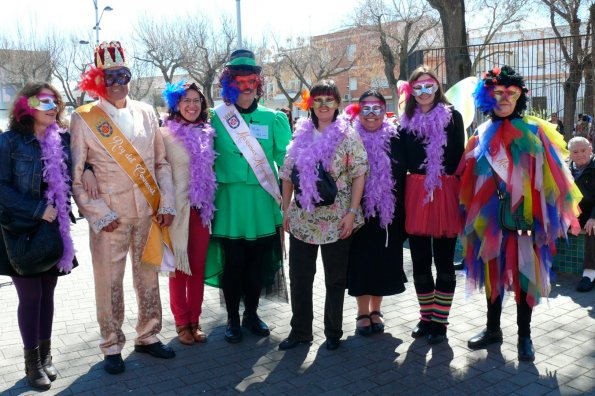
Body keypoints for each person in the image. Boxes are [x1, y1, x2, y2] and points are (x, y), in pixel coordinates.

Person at [460, 66, 581, 361]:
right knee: (493, 273)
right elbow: (469, 178)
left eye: (510, 93)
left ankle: (524, 335)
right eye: (497, 93)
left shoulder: (534, 130)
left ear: (520, 96)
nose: (503, 98)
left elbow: (555, 178)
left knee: (525, 274)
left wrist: (549, 217)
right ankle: (492, 330)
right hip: (489, 219)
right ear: (488, 97)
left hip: (525, 216)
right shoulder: (479, 133)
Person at [70, 41, 176, 374]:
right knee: (109, 282)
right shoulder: (84, 117)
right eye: (108, 76)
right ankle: (112, 344)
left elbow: (161, 163)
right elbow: (76, 175)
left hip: (147, 211)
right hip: (111, 218)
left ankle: (148, 335)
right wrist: (100, 215)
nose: (116, 81)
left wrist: (166, 201)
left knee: (148, 278)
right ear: (97, 82)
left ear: (129, 76)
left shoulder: (147, 111)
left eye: (122, 74)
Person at [205, 49, 291, 344]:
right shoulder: (216, 118)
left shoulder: (273, 118)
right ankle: (232, 318)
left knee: (257, 263)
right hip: (229, 203)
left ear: (258, 82)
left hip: (261, 203)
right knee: (234, 264)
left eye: (251, 80)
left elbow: (287, 160)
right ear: (229, 83)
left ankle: (251, 315)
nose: (245, 86)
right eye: (238, 80)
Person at [278, 80, 367, 351]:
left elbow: (359, 173)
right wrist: (285, 210)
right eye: (318, 100)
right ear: (311, 104)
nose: (324, 105)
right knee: (300, 276)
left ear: (337, 104)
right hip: (303, 218)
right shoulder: (299, 134)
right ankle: (301, 331)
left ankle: (333, 331)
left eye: (329, 100)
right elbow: (287, 174)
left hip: (337, 217)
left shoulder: (348, 135)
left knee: (335, 278)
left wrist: (352, 213)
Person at [0, 82, 77, 389]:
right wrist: (36, 210)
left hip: (54, 229)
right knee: (30, 296)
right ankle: (32, 364)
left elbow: (77, 171)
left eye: (55, 102)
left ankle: (45, 357)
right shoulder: (9, 142)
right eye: (45, 102)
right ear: (26, 106)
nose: (53, 107)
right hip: (19, 229)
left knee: (48, 293)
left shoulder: (62, 140)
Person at [396, 65, 465, 344]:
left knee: (445, 260)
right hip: (416, 191)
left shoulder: (453, 117)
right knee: (420, 260)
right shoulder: (405, 120)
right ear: (411, 92)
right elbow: (400, 161)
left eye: (429, 86)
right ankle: (426, 317)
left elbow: (459, 157)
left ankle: (441, 322)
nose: (424, 92)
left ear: (438, 87)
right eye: (418, 87)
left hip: (445, 189)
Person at [345, 90, 406, 335]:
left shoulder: (397, 137)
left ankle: (376, 310)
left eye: (377, 109)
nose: (371, 115)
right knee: (360, 260)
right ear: (358, 111)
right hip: (357, 210)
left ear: (385, 110)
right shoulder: (348, 137)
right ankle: (362, 312)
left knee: (383, 259)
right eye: (365, 109)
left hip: (388, 212)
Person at [161, 81, 216, 343]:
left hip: (201, 212)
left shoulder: (208, 132)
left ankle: (195, 320)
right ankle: (181, 323)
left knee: (197, 269)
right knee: (178, 270)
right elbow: (158, 173)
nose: (192, 105)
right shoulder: (164, 135)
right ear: (176, 105)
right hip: (176, 213)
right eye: (186, 101)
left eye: (196, 100)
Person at [567, 137, 595, 292]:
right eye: (575, 152)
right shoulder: (566, 169)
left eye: (583, 150)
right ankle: (544, 267)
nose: (580, 154)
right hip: (572, 213)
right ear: (570, 154)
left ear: (590, 149)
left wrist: (593, 217)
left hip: (591, 213)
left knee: (593, 227)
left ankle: (589, 274)